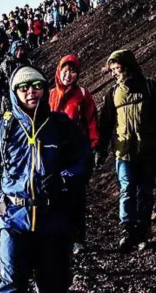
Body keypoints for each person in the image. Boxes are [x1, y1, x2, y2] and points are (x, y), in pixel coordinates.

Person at [0, 65, 90, 293]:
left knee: (54, 287)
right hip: (13, 221)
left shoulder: (61, 126)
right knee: (11, 287)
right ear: (15, 92)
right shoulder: (0, 132)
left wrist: (63, 180)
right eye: (23, 87)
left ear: (44, 89)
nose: (30, 92)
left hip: (53, 220)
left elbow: (84, 162)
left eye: (36, 86)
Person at [98, 50, 156, 252]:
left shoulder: (150, 88)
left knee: (145, 192)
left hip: (148, 150)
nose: (114, 73)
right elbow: (105, 124)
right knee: (127, 189)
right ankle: (127, 230)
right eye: (112, 70)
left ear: (128, 66)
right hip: (123, 152)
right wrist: (100, 149)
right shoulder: (112, 94)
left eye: (117, 68)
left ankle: (143, 231)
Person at [49, 55, 99, 254]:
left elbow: (91, 121)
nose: (69, 75)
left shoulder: (83, 95)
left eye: (73, 71)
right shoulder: (50, 95)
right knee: (54, 195)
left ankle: (78, 238)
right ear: (59, 71)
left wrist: (94, 145)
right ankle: (60, 236)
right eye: (65, 70)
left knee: (76, 196)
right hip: (53, 153)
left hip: (76, 153)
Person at [0, 40, 32, 114]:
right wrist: (3, 92)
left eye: (21, 49)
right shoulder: (6, 63)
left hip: (23, 94)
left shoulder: (26, 62)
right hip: (8, 96)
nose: (20, 52)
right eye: (17, 49)